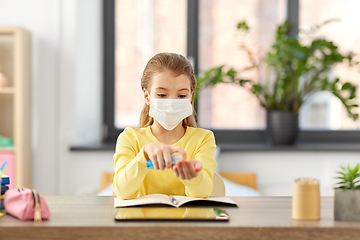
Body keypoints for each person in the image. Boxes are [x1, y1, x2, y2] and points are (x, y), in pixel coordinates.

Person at [113, 52, 216, 200]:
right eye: (162, 95)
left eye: (181, 96)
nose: (171, 103)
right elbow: (122, 192)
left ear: (191, 97)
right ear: (147, 96)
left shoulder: (203, 138)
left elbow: (203, 192)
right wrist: (143, 157)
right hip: (140, 222)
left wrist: (193, 176)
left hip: (186, 222)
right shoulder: (130, 138)